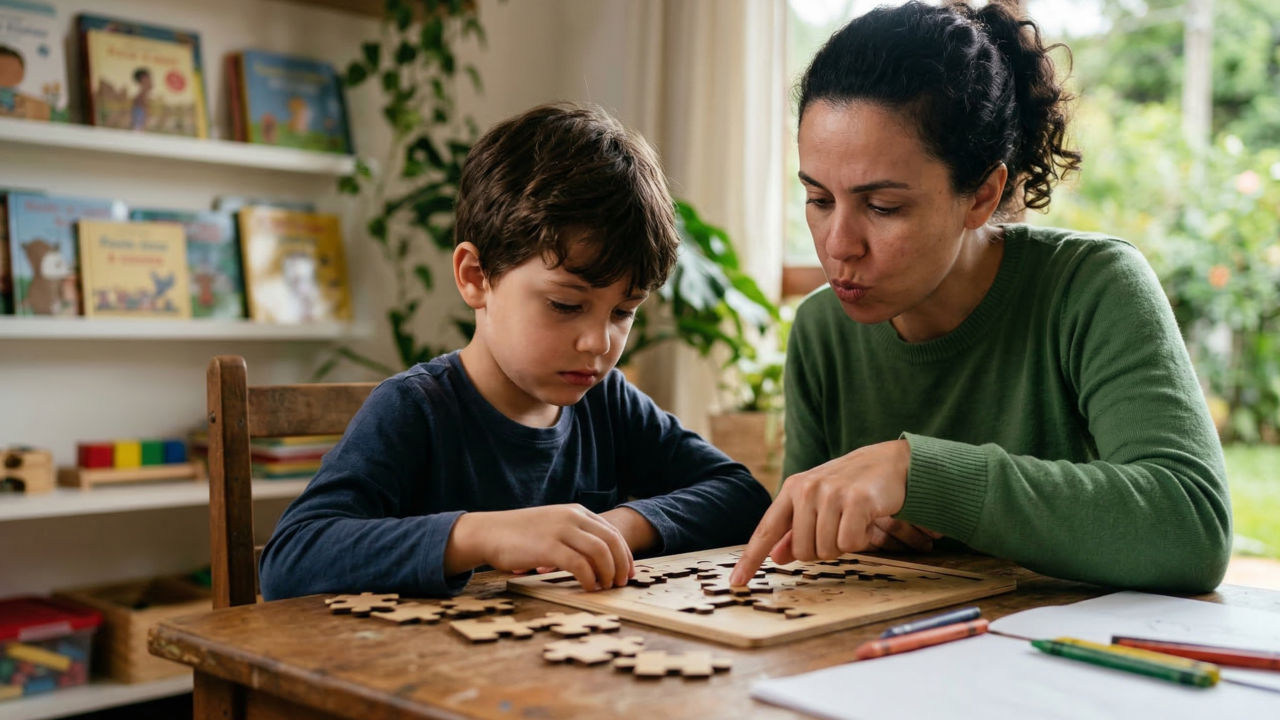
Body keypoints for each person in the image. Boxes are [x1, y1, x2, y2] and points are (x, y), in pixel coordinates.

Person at [730, 1, 1230, 593]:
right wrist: (850, 531)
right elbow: (801, 549)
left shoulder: (1092, 287)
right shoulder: (821, 330)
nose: (839, 245)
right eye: (818, 199)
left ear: (982, 195)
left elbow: (1192, 525)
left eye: (883, 207)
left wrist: (920, 473)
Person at [260, 102, 773, 600]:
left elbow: (742, 497)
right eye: (565, 305)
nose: (599, 342)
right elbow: (290, 560)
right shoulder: (414, 408)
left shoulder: (607, 402)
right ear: (475, 278)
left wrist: (612, 528)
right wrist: (481, 536)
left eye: (623, 311)